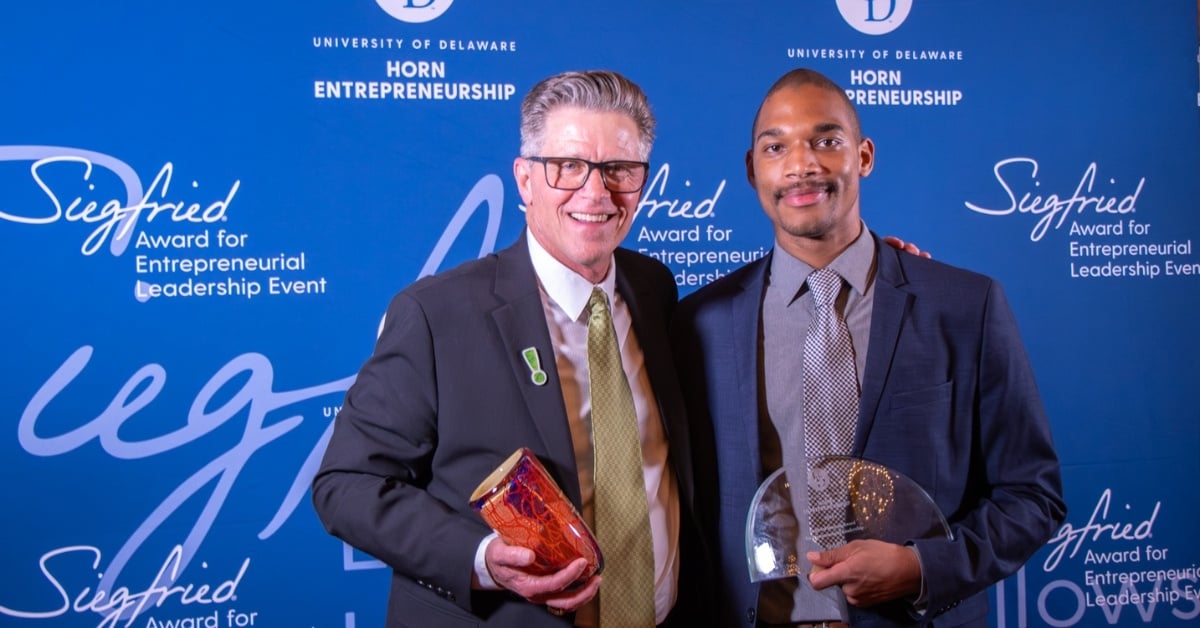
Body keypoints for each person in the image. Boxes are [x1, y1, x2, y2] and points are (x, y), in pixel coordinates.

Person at [312, 70, 710, 627]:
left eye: (618, 170)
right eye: (568, 166)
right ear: (525, 180)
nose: (595, 193)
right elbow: (346, 485)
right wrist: (480, 559)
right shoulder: (436, 315)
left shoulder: (653, 288)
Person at [671, 68, 1066, 627]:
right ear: (752, 170)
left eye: (826, 141)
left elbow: (1033, 496)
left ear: (864, 155)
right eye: (776, 147)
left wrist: (923, 566)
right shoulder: (700, 324)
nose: (802, 164)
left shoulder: (964, 306)